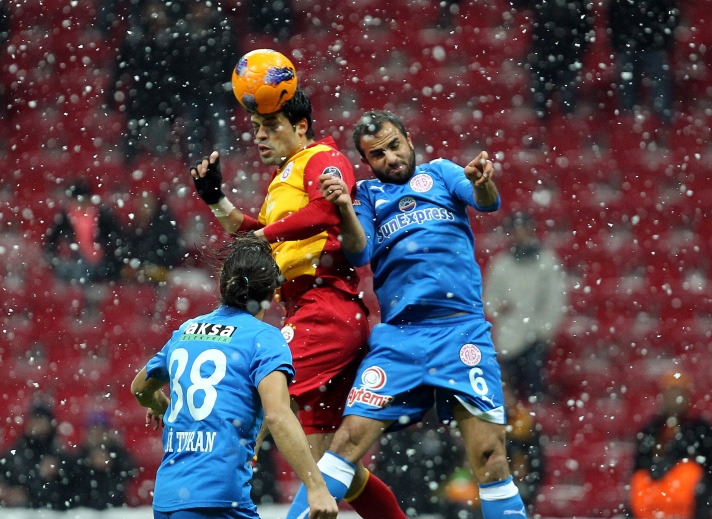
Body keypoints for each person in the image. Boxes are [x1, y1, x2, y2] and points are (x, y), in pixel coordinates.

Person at [287, 109, 529, 518]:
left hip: (461, 332)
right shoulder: (366, 195)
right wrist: (344, 207)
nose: (390, 159)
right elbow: (359, 251)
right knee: (347, 443)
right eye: (377, 155)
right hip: (401, 339)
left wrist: (482, 182)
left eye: (394, 146)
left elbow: (488, 202)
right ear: (367, 162)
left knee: (490, 458)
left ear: (409, 140)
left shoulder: (442, 173)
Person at [189, 87, 405, 518]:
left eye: (270, 127)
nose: (260, 137)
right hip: (316, 310)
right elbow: (263, 233)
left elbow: (327, 212)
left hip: (323, 309)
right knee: (335, 466)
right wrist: (217, 199)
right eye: (255, 129)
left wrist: (263, 235)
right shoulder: (286, 177)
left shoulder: (320, 159)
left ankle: (211, 503)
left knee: (252, 401)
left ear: (301, 127)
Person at [130, 235, 339, 519]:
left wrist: (160, 406)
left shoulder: (186, 330)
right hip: (218, 500)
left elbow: (140, 388)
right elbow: (278, 414)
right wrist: (316, 487)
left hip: (168, 499)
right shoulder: (264, 338)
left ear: (221, 286)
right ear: (272, 294)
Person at [483, 212, 567, 400]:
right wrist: (498, 306)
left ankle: (534, 423)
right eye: (515, 231)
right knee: (509, 391)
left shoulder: (547, 262)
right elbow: (489, 298)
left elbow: (555, 299)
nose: (519, 236)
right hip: (508, 336)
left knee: (534, 387)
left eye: (523, 231)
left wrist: (543, 330)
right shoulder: (501, 264)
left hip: (535, 336)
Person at [630, 370, 712, 519]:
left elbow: (707, 464)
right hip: (655, 496)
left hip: (686, 499)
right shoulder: (651, 428)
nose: (675, 397)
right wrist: (656, 470)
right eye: (671, 391)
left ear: (688, 396)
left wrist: (677, 466)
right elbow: (639, 466)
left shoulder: (700, 428)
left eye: (679, 392)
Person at [513, 0, 594, 120]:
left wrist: (578, 50)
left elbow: (586, 28)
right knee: (540, 107)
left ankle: (563, 130)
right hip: (546, 54)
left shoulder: (578, 4)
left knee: (566, 106)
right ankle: (543, 130)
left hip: (564, 56)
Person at [607, 0, 679, 127]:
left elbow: (670, 13)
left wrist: (664, 40)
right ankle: (628, 124)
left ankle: (663, 124)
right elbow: (613, 15)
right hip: (630, 44)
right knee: (628, 85)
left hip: (651, 44)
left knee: (659, 82)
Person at [45, 180, 125, 284]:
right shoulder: (65, 217)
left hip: (100, 261)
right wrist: (57, 261)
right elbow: (50, 242)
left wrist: (105, 253)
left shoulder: (103, 215)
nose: (80, 204)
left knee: (82, 273)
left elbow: (116, 238)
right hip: (75, 260)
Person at [0, 402, 74, 509]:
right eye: (34, 420)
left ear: (49, 424)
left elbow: (67, 495)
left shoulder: (61, 457)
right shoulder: (14, 454)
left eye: (40, 420)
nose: (36, 424)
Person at [71, 410, 137, 509]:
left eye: (100, 430)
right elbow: (71, 476)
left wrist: (112, 463)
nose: (97, 434)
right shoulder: (79, 454)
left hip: (114, 509)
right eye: (93, 430)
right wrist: (88, 462)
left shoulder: (118, 452)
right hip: (84, 510)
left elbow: (132, 471)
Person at [122, 191, 185, 284]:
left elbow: (173, 250)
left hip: (162, 270)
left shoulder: (164, 224)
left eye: (146, 205)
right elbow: (129, 249)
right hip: (140, 271)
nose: (143, 208)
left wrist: (152, 265)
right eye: (141, 205)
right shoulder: (135, 226)